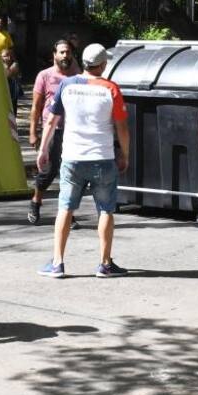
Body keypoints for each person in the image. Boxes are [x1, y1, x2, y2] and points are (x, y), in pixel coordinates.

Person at [35, 43, 130, 278]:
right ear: (103, 64)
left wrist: (43, 149)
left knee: (65, 208)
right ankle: (105, 264)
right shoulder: (111, 89)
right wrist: (125, 154)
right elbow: (122, 128)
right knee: (106, 210)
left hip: (72, 158)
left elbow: (51, 120)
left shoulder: (67, 85)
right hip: (102, 158)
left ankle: (57, 263)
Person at [27, 39, 79, 225]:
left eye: (68, 52)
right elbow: (35, 106)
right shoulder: (44, 76)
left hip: (72, 130)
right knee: (49, 171)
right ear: (54, 55)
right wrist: (33, 132)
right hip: (52, 130)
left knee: (71, 171)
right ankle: (36, 201)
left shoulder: (77, 75)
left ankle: (67, 212)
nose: (66, 55)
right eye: (62, 52)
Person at [1, 48, 21, 116]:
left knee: (12, 108)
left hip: (12, 90)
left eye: (5, 56)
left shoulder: (15, 64)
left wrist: (5, 65)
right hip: (4, 89)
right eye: (3, 56)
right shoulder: (0, 65)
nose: (3, 58)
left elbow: (8, 74)